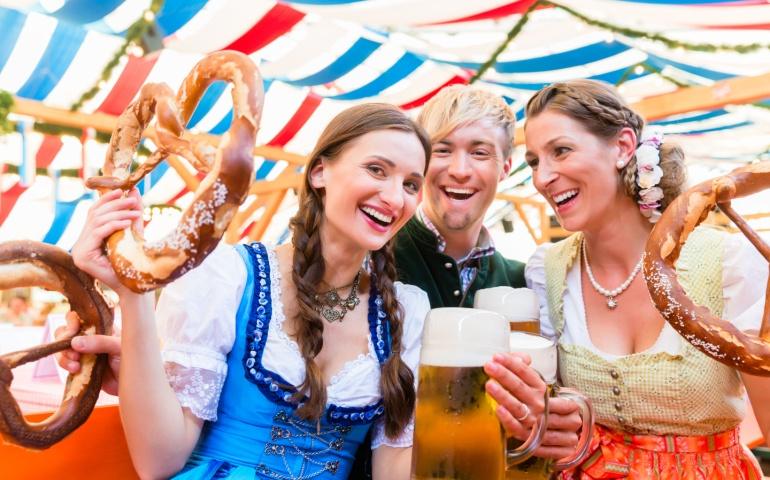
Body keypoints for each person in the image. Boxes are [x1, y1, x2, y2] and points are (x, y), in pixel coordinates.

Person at [70, 103, 433, 479]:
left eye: (411, 184)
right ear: (320, 172)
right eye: (376, 170)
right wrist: (135, 295)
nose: (395, 198)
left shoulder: (405, 312)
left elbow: (394, 473)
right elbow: (159, 461)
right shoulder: (226, 276)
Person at [523, 78, 770, 478]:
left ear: (622, 147)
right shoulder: (548, 271)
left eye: (561, 151)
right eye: (534, 161)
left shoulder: (728, 264)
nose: (542, 177)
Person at [393, 85, 526, 308]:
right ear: (420, 160)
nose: (460, 170)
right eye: (443, 150)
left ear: (505, 168)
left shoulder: (522, 283)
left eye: (479, 153)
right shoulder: (373, 260)